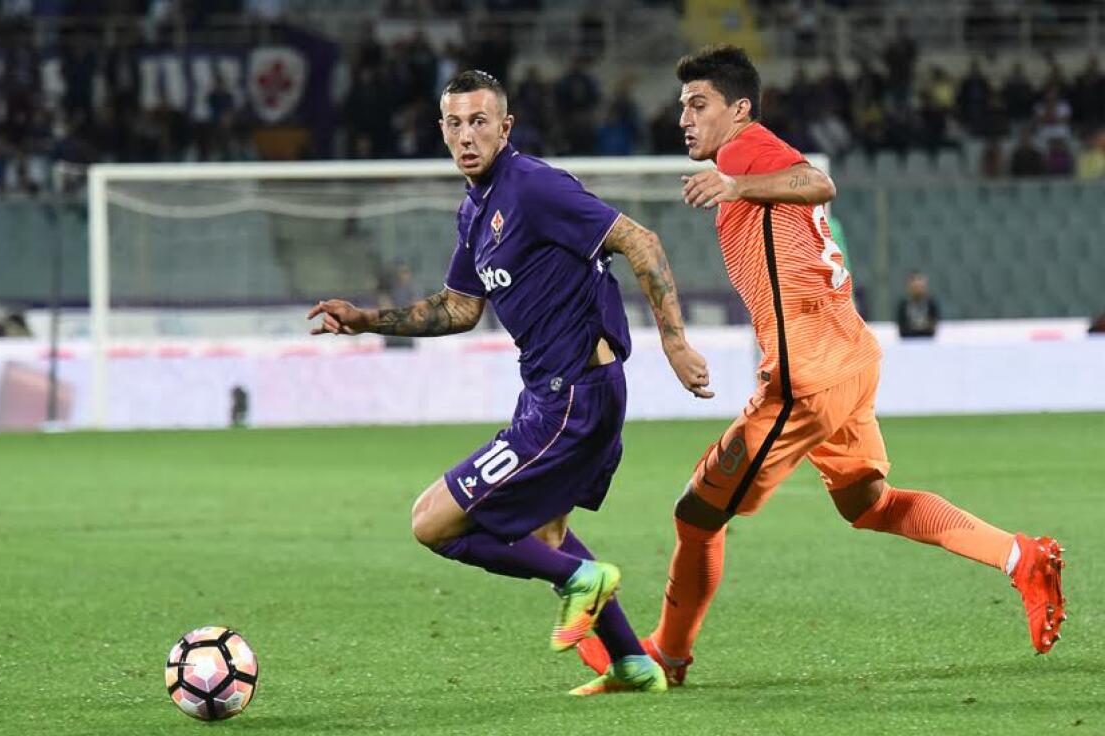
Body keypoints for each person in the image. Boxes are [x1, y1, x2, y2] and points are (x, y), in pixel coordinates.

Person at [577, 46, 1066, 685]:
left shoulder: (744, 151)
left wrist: (735, 183)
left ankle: (668, 653)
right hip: (849, 360)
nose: (685, 120)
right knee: (870, 504)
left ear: (740, 110)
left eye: (699, 105)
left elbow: (819, 182)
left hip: (804, 379)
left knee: (696, 513)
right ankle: (1019, 556)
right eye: (682, 108)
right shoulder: (743, 161)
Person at [308, 70, 712, 696]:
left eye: (478, 121)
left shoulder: (533, 186)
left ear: (505, 126)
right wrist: (368, 320)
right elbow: (459, 308)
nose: (466, 135)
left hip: (572, 396)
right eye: (454, 123)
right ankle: (633, 663)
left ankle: (582, 582)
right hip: (559, 394)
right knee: (548, 534)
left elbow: (640, 240)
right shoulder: (475, 211)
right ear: (442, 132)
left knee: (433, 523)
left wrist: (675, 342)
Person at [896, 271, 939, 339]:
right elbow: (902, 331)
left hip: (927, 343)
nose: (918, 289)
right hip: (908, 344)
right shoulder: (903, 305)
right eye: (915, 287)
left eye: (920, 286)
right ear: (909, 287)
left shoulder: (931, 304)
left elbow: (932, 329)